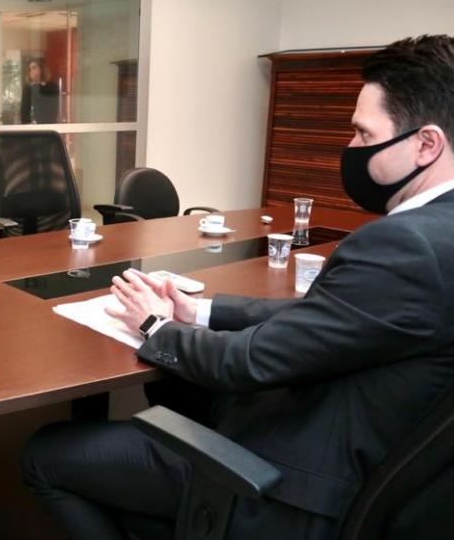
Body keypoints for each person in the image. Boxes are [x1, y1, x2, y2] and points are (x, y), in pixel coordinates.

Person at [22, 34, 454, 539]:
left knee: (46, 454)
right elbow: (323, 321)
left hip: (288, 485)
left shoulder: (405, 246)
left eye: (362, 133)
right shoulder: (433, 239)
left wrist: (151, 323)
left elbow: (249, 362)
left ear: (426, 143)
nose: (352, 147)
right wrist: (200, 310)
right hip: (360, 442)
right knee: (173, 393)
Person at [20, 59, 60, 124]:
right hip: (31, 127)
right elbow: (24, 112)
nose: (31, 71)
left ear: (41, 69)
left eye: (34, 68)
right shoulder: (27, 89)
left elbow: (53, 110)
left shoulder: (52, 87)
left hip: (47, 125)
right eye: (30, 69)